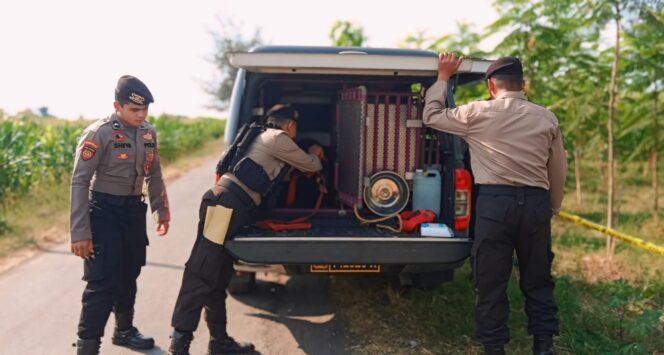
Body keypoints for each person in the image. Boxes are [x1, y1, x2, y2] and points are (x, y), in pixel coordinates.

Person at [423, 53, 567, 355]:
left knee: (490, 282)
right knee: (538, 278)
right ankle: (544, 346)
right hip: (536, 204)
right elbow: (558, 170)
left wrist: (443, 78)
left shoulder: (476, 113)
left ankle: (494, 348)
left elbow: (431, 116)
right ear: (523, 84)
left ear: (491, 86)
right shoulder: (546, 117)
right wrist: (551, 208)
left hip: (494, 205)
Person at [168, 105, 324, 355]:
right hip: (227, 204)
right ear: (290, 125)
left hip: (232, 204)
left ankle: (218, 341)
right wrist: (315, 152)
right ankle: (179, 342)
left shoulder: (263, 136)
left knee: (219, 274)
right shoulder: (278, 138)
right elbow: (311, 166)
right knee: (203, 270)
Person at [70, 75, 170, 355]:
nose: (140, 116)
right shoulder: (99, 133)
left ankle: (124, 331)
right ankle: (87, 347)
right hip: (103, 213)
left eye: (144, 110)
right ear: (117, 105)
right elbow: (79, 182)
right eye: (134, 110)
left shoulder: (148, 132)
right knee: (102, 282)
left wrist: (160, 210)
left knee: (129, 274)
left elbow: (155, 174)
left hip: (132, 213)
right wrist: (80, 232)